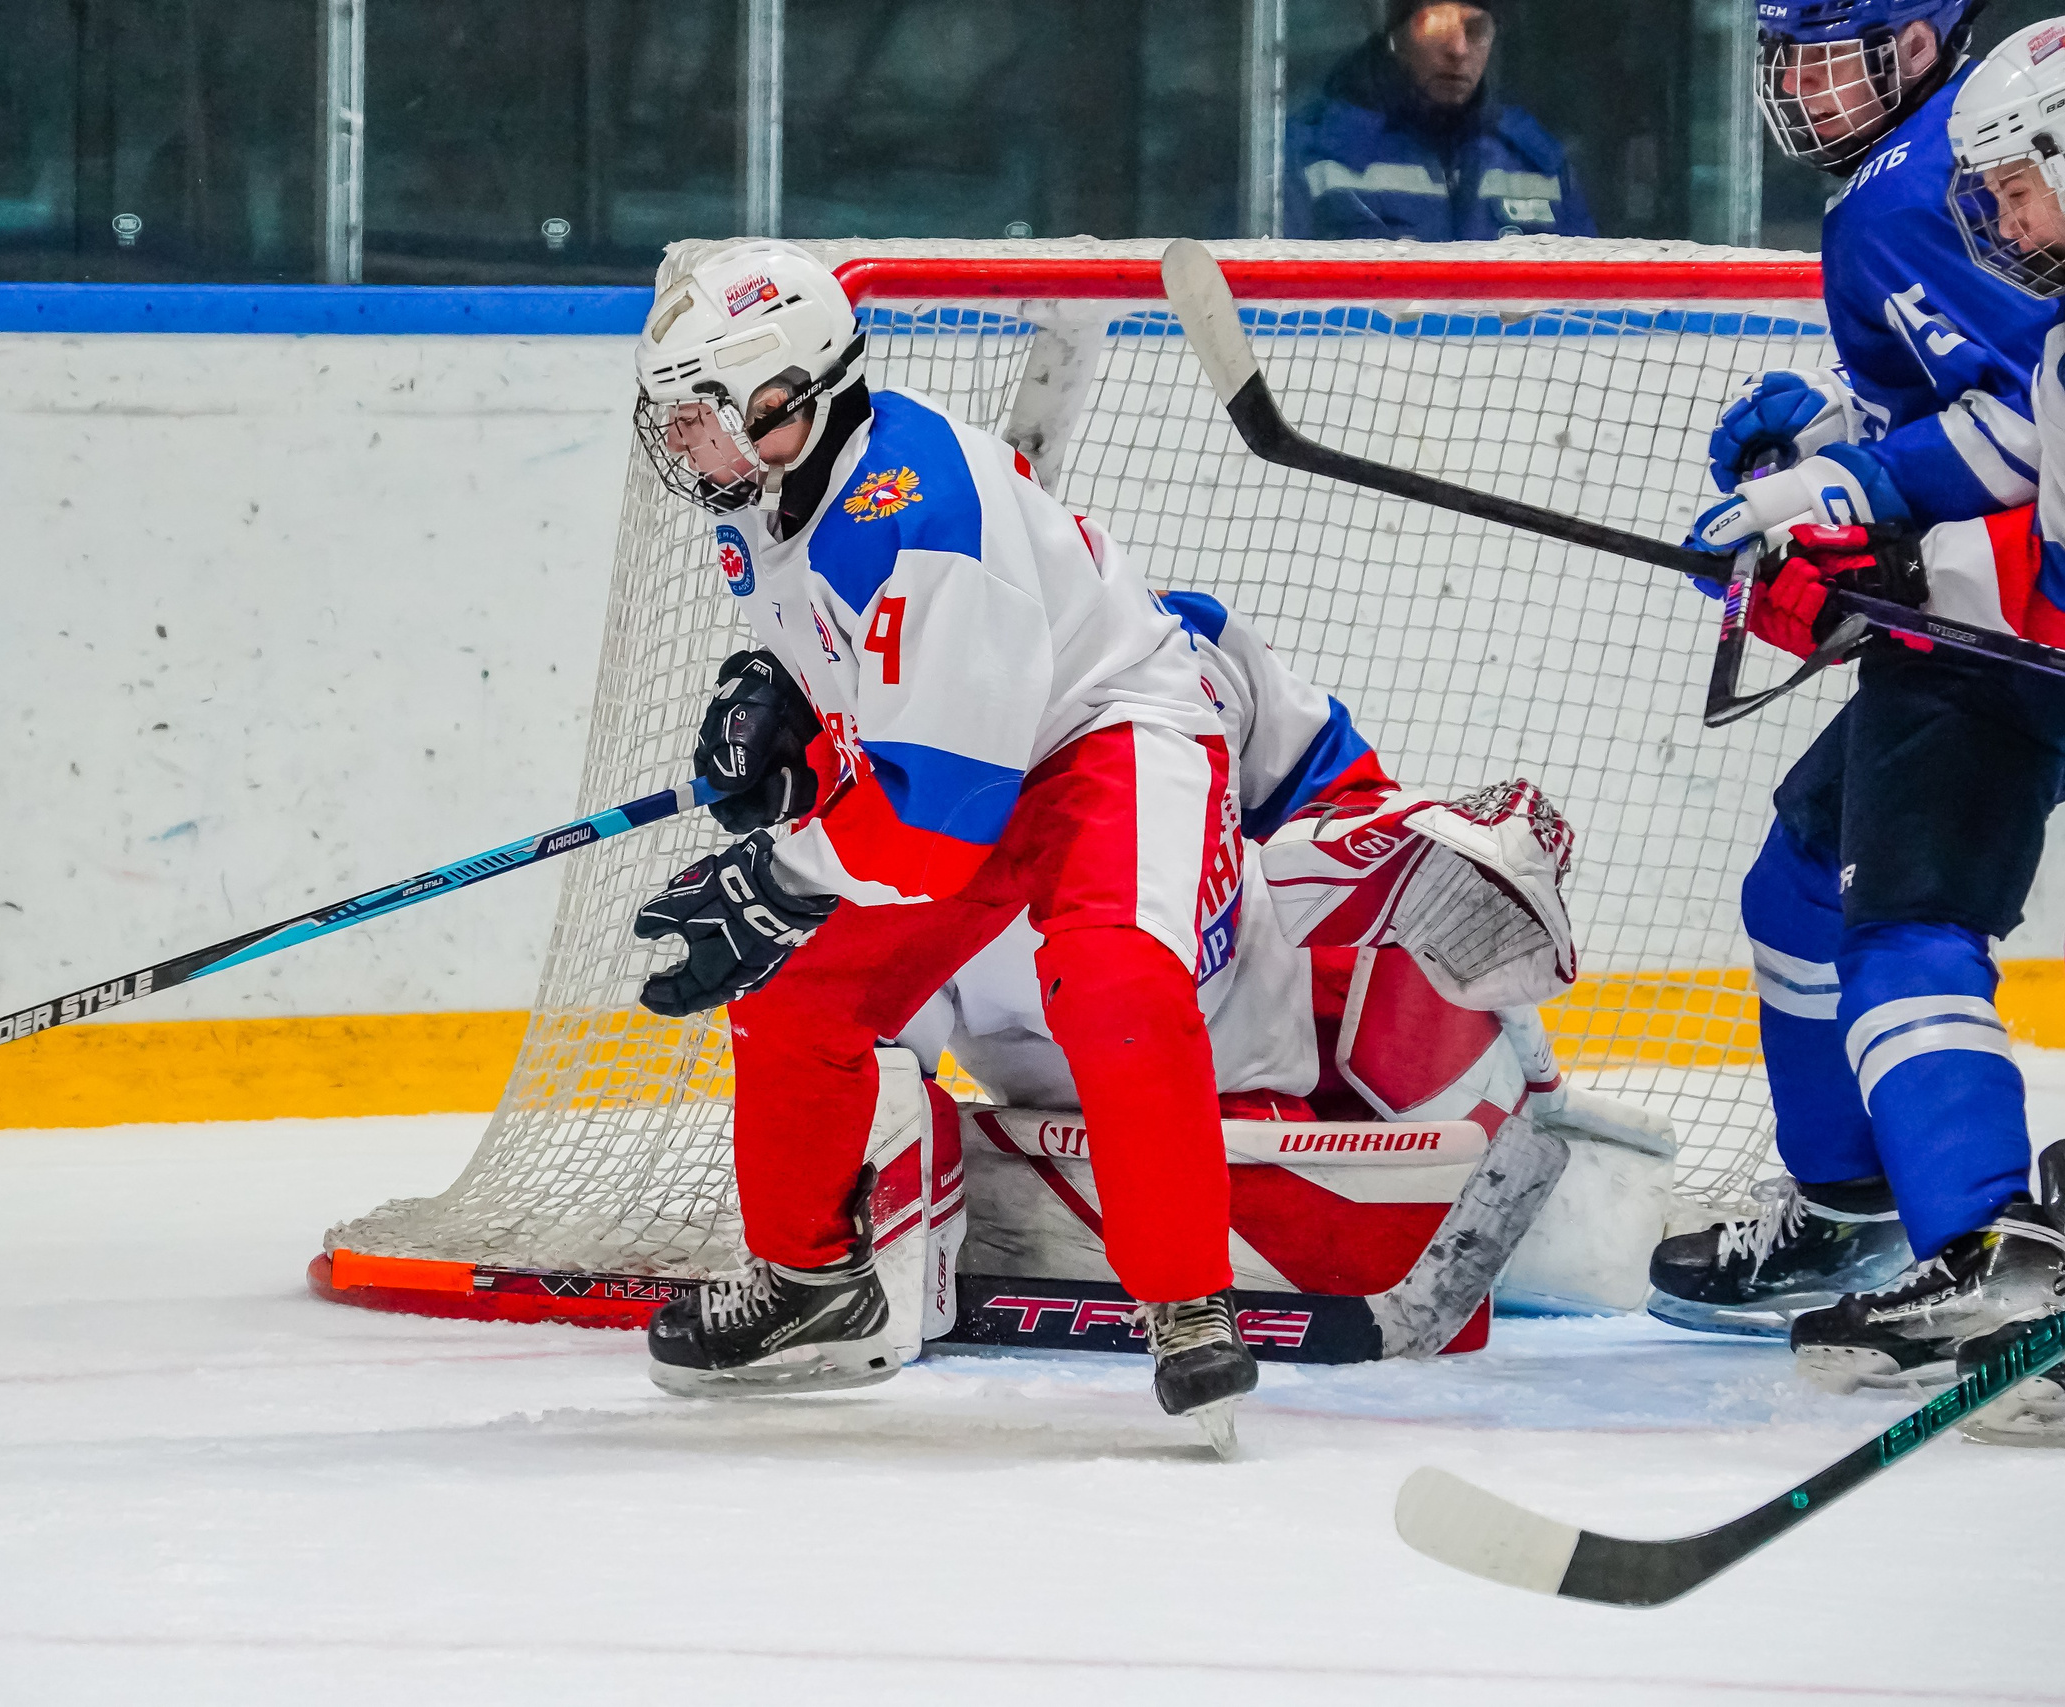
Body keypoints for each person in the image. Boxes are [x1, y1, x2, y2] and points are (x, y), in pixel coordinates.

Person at [623, 241, 1579, 1453]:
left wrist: (776, 877)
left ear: (783, 400)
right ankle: (812, 1286)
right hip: (974, 763)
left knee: (1116, 979)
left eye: (699, 419)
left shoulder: (912, 517)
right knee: (799, 998)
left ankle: (1186, 1307)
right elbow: (869, 686)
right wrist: (782, 707)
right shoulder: (770, 493)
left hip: (1105, 739)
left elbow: (931, 820)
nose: (681, 446)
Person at [1647, 0, 2062, 1354]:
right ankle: (1858, 1201)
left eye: (2015, 187)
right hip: (1985, 628)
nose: (1997, 215)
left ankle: (1985, 1244)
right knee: (1801, 881)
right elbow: (2003, 419)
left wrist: (1861, 534)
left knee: (1903, 930)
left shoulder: (1901, 195)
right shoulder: (2005, 255)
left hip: (1999, 648)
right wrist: (1846, 463)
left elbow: (2013, 469)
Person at [1282, 0, 1595, 243]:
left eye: (1476, 31)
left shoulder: (1536, 162)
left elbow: (1588, 304)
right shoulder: (1317, 153)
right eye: (1436, 27)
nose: (1458, 50)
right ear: (1396, 35)